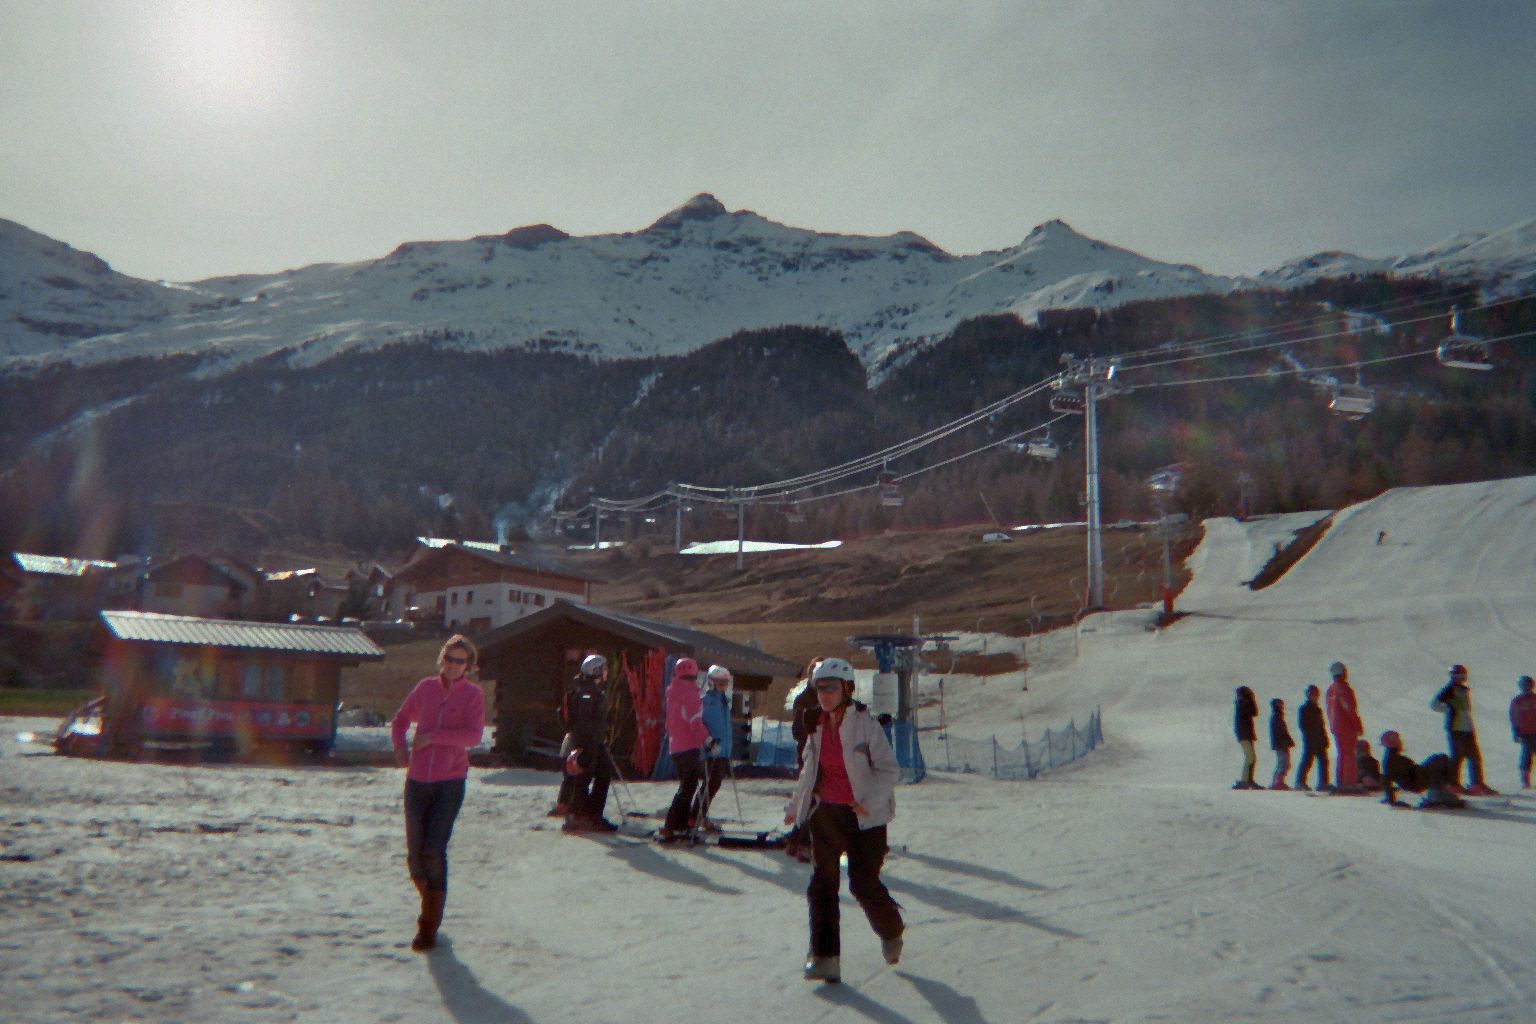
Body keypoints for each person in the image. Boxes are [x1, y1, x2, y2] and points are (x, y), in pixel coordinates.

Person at [784, 658, 904, 984]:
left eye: (832, 688)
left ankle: (892, 930)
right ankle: (825, 958)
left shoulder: (866, 724)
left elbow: (889, 769)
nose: (824, 694)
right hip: (826, 813)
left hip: (865, 816)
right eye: (819, 688)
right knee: (822, 883)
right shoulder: (816, 725)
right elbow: (809, 771)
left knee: (863, 883)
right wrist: (796, 806)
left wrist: (869, 801)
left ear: (847, 689)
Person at [390, 634, 486, 953]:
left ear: (468, 666)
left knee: (434, 850)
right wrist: (401, 751)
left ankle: (428, 926)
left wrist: (433, 738)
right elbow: (400, 720)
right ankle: (432, 901)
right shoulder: (426, 688)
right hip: (418, 780)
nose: (453, 666)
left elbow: (473, 736)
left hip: (450, 781)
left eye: (460, 661)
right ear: (442, 659)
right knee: (415, 857)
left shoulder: (473, 695)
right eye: (449, 659)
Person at [658, 658, 714, 842]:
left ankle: (678, 825)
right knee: (688, 786)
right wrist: (708, 740)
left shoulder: (674, 692)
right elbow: (695, 722)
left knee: (687, 785)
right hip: (688, 746)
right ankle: (672, 824)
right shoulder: (690, 694)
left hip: (676, 745)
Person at [561, 653, 616, 832]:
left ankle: (589, 814)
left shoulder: (587, 689)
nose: (606, 672)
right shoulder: (587, 692)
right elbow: (585, 722)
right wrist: (587, 746)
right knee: (584, 777)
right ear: (596, 671)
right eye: (604, 669)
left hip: (592, 741)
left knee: (602, 773)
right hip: (586, 743)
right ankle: (581, 816)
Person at [1432, 664, 1495, 795]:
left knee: (1474, 756)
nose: (1461, 678)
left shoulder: (1464, 690)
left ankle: (1476, 783)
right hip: (1456, 728)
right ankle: (1454, 783)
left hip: (1467, 728)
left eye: (1463, 676)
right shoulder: (1449, 689)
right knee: (1457, 756)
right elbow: (1434, 704)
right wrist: (1449, 710)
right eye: (1458, 676)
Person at [1379, 730, 1464, 809]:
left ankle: (1445, 794)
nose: (1401, 742)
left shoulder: (1392, 757)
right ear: (1392, 743)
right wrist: (1391, 800)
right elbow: (1386, 779)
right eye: (1398, 740)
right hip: (1415, 781)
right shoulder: (1391, 759)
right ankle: (1440, 795)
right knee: (1440, 759)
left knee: (1440, 760)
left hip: (1415, 777)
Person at [699, 664, 734, 829]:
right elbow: (699, 723)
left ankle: (700, 815)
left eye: (725, 683)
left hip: (723, 750)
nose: (723, 686)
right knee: (710, 784)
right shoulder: (706, 701)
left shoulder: (724, 702)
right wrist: (708, 741)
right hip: (711, 749)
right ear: (711, 682)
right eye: (719, 683)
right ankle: (696, 816)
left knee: (715, 784)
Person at [1326, 662, 1364, 790]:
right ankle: (1348, 782)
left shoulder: (1331, 689)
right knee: (1349, 754)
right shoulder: (1343, 688)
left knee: (1342, 754)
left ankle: (1341, 781)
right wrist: (1357, 725)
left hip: (1337, 727)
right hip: (1346, 727)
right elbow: (1349, 709)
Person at [1294, 685, 1330, 791]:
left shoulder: (1317, 709)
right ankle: (1300, 781)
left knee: (1323, 761)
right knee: (1307, 760)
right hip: (1310, 739)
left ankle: (1323, 783)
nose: (1314, 697)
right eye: (1312, 694)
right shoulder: (1304, 709)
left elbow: (1321, 726)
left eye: (1316, 694)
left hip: (1319, 739)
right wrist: (1310, 736)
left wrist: (1324, 738)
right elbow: (1303, 725)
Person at [1508, 675, 1536, 789]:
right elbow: (1513, 716)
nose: (1526, 688)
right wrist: (1515, 730)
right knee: (1526, 755)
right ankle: (1525, 778)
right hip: (1525, 733)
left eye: (1528, 685)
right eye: (1524, 686)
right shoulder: (1517, 701)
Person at [1232, 686, 1259, 789]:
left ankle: (1249, 780)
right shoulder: (1241, 704)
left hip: (1247, 734)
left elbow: (1254, 713)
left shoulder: (1243, 703)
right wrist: (1252, 700)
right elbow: (1253, 712)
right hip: (1244, 735)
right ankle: (1244, 780)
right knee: (1250, 757)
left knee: (1252, 758)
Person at [1268, 697, 1294, 790]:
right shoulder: (1276, 716)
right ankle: (1278, 782)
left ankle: (1278, 781)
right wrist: (1287, 741)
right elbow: (1281, 732)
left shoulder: (1278, 716)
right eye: (1280, 704)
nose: (1282, 706)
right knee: (1284, 763)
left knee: (1283, 763)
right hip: (1281, 744)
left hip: (1281, 743)